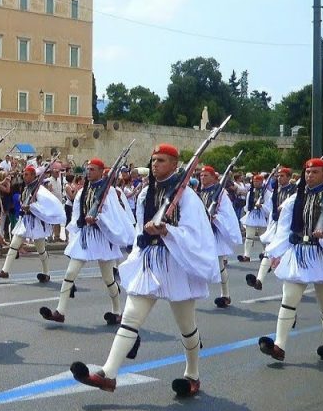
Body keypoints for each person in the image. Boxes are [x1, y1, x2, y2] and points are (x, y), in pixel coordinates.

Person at [71, 144, 217, 397]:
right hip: (150, 261)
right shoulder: (144, 194)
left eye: (161, 160)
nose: (155, 164)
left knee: (186, 326)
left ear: (174, 164)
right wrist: (137, 255)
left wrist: (168, 231)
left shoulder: (187, 197)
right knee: (130, 318)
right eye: (153, 160)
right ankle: (109, 373)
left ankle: (192, 374)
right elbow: (139, 229)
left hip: (176, 264)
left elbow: (196, 234)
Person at [258, 157, 323, 362]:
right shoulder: (296, 198)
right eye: (307, 172)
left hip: (322, 255)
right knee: (289, 299)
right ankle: (279, 345)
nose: (309, 175)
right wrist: (274, 252)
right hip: (299, 253)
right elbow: (285, 228)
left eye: (314, 172)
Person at [40, 158, 132, 324]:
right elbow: (77, 213)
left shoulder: (108, 191)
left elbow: (112, 215)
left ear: (100, 171)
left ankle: (117, 310)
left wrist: (99, 219)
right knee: (70, 273)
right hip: (86, 237)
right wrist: (78, 227)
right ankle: (60, 311)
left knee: (108, 278)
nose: (88, 172)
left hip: (102, 237)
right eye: (87, 169)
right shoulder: (84, 191)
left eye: (92, 169)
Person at [0, 164, 66, 282]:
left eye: (26, 174)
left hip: (35, 223)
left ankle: (46, 273)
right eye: (24, 174)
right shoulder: (27, 188)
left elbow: (43, 206)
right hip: (25, 221)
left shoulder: (39, 190)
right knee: (14, 245)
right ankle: (5, 271)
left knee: (41, 250)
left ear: (32, 175)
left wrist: (31, 207)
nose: (24, 176)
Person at [197, 166, 243, 308]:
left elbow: (227, 213)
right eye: (201, 175)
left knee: (218, 265)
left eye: (205, 175)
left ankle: (226, 295)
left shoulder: (221, 193)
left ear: (213, 177)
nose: (202, 178)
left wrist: (215, 218)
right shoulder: (197, 193)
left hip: (213, 232)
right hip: (200, 233)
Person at [249, 167, 296, 291]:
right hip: (277, 225)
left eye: (282, 176)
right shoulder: (277, 190)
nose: (279, 178)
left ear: (289, 177)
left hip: (289, 227)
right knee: (269, 251)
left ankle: (292, 286)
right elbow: (270, 207)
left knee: (287, 256)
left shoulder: (295, 191)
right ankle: (259, 280)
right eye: (278, 176)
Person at [237, 174, 271, 263]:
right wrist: (248, 211)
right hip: (252, 216)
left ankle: (266, 253)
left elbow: (269, 206)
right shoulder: (250, 192)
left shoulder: (267, 193)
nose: (255, 183)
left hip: (262, 217)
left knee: (264, 237)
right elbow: (247, 205)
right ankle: (246, 255)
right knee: (249, 237)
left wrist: (262, 206)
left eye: (258, 181)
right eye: (254, 181)